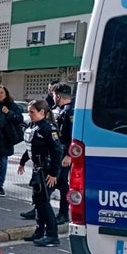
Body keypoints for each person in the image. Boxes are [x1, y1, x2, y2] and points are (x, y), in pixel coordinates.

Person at [17, 100, 63, 247]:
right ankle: (39, 231)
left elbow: (57, 151)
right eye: (29, 111)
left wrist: (54, 173)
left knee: (43, 202)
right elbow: (31, 147)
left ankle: (52, 235)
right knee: (38, 201)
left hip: (47, 170)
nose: (29, 114)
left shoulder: (48, 128)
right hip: (38, 169)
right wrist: (23, 161)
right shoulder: (34, 126)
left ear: (42, 112)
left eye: (32, 112)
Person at [52, 83, 74, 224]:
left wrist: (69, 155)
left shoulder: (70, 111)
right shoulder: (60, 110)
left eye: (54, 95)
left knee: (62, 183)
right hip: (58, 151)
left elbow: (73, 135)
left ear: (58, 96)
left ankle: (63, 213)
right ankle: (38, 208)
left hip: (64, 153)